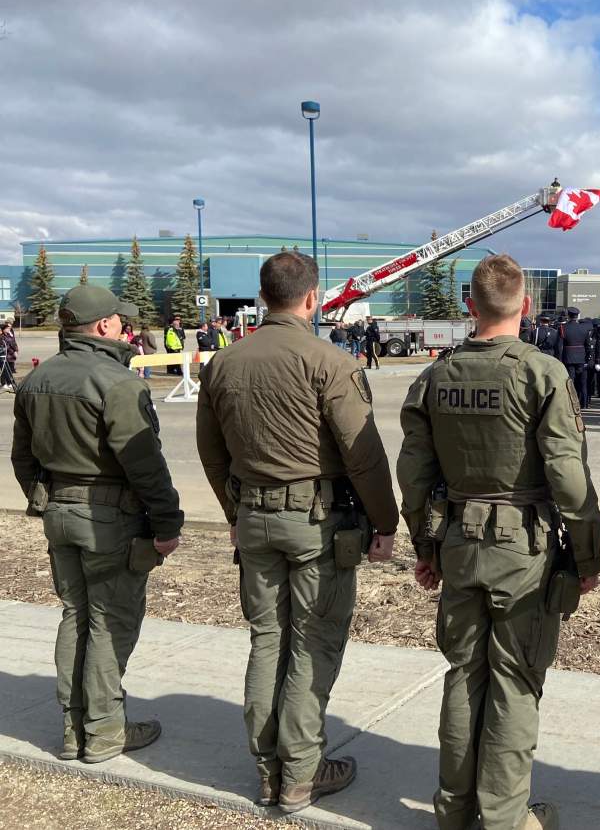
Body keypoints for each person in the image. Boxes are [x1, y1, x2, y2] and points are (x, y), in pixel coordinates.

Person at [398, 254, 600, 830]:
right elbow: (567, 475)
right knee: (515, 681)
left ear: (470, 306)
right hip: (523, 551)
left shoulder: (436, 376)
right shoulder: (542, 373)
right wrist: (587, 554)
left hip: (459, 542)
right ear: (527, 306)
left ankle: (454, 811)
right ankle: (505, 818)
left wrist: (425, 547)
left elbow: (413, 473)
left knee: (464, 673)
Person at [196, 252, 399, 813]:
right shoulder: (329, 361)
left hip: (254, 518)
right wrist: (386, 522)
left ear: (264, 297)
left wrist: (234, 512)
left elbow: (211, 453)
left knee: (267, 641)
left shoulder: (223, 362)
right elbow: (363, 456)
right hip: (315, 523)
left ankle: (269, 771)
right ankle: (302, 774)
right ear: (312, 298)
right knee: (313, 641)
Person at [12, 286, 183, 764]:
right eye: (120, 320)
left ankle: (74, 730)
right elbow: (144, 464)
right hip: (110, 520)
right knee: (110, 622)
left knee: (75, 616)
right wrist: (167, 523)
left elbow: (23, 458)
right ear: (105, 325)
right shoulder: (118, 382)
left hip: (60, 514)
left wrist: (46, 500)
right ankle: (105, 731)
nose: (125, 327)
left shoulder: (36, 379)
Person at [555, 306, 592, 407]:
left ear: (568, 315)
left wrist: (559, 359)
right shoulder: (584, 328)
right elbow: (588, 345)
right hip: (581, 357)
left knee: (570, 381)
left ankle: (571, 402)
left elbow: (559, 346)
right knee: (582, 381)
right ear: (577, 316)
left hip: (568, 357)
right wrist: (587, 358)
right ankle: (583, 403)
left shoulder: (563, 328)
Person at [0, 322, 18, 390]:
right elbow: (5, 346)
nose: (9, 329)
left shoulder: (9, 335)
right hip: (5, 356)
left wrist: (16, 350)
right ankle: (3, 383)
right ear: (3, 329)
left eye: (9, 328)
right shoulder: (2, 336)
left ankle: (9, 382)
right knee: (4, 370)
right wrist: (13, 352)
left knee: (10, 370)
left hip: (10, 356)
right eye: (7, 328)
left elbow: (13, 343)